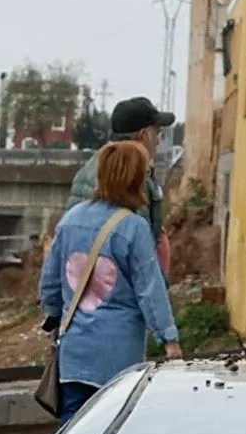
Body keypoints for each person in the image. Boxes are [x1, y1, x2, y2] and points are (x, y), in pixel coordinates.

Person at [39, 133, 175, 417]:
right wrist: (169, 339)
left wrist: (56, 314)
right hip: (117, 359)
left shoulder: (71, 218)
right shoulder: (134, 228)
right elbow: (150, 290)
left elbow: (50, 285)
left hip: (73, 356)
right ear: (134, 180)